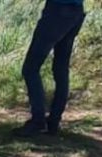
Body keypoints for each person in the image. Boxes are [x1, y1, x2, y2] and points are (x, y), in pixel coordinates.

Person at [16, 0, 86, 137]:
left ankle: (38, 121)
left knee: (30, 68)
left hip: (58, 10)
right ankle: (53, 122)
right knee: (61, 69)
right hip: (76, 11)